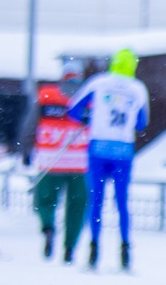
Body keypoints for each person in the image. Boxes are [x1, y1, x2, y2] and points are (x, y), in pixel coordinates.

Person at [72, 48, 150, 271]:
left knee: (95, 200)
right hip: (123, 151)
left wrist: (90, 118)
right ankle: (125, 248)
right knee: (122, 202)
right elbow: (141, 123)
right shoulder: (138, 89)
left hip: (98, 148)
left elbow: (74, 110)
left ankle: (94, 247)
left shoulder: (99, 82)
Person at [27, 74, 90, 263]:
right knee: (77, 207)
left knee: (44, 201)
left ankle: (48, 227)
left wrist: (24, 149)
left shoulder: (47, 96)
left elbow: (30, 124)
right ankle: (70, 246)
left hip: (50, 161)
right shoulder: (90, 98)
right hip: (79, 163)